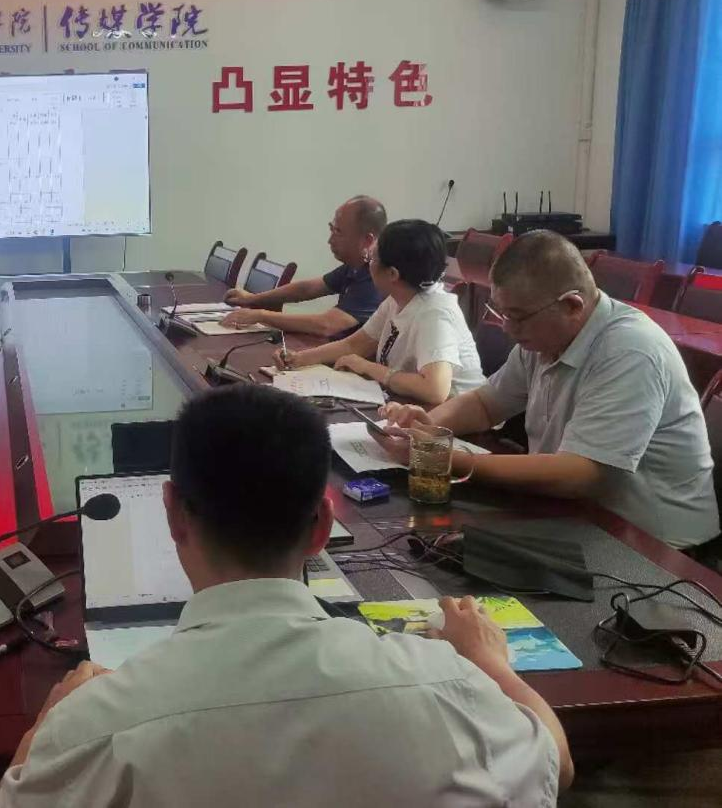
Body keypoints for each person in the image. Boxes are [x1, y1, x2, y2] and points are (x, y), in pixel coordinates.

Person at [0, 385, 572, 807]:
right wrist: (489, 661)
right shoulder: (448, 687)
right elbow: (556, 761)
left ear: (173, 515)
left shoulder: (94, 728)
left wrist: (43, 732)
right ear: (322, 526)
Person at [380, 230, 720, 550]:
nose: (508, 329)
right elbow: (485, 404)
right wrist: (430, 427)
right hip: (574, 513)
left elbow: (582, 474)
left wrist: (447, 459)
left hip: (656, 547)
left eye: (517, 317)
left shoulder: (630, 351)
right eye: (502, 313)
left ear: (572, 305)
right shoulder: (543, 337)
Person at [276, 219, 485, 405]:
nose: (368, 265)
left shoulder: (434, 314)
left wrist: (367, 367)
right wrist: (300, 358)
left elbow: (435, 390)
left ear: (393, 274)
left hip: (457, 421)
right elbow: (355, 344)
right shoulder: (397, 299)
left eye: (372, 259)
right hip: (409, 405)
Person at [220, 195, 388, 337]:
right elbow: (307, 289)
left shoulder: (376, 274)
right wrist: (252, 299)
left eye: (338, 232)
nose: (330, 240)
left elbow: (327, 325)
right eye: (331, 230)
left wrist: (260, 315)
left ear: (367, 240)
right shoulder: (355, 265)